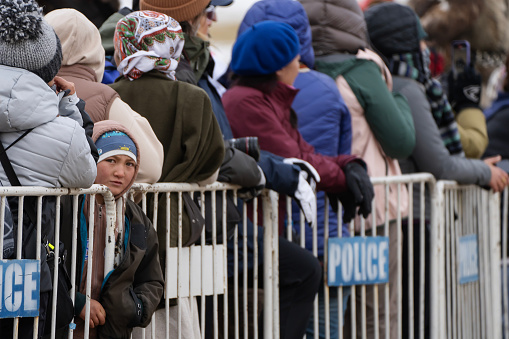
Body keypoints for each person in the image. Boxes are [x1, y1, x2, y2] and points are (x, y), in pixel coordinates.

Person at [364, 2, 509, 337]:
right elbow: (439, 163)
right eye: (419, 41)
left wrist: (472, 165)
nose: (425, 49)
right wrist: (484, 173)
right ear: (404, 44)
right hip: (416, 220)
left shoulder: (393, 82)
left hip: (408, 217)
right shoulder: (407, 87)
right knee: (423, 318)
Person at [223, 20, 375, 338]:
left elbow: (303, 151)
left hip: (262, 224)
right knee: (304, 272)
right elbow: (295, 159)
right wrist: (344, 175)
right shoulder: (247, 102)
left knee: (299, 276)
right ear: (277, 66)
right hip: (245, 224)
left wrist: (348, 165)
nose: (299, 63)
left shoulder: (266, 100)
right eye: (294, 57)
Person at [300, 0, 416, 337]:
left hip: (319, 215)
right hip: (372, 211)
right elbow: (401, 141)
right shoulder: (364, 70)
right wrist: (399, 97)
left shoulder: (296, 71)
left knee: (332, 319)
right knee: (377, 316)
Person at [110, 10, 225, 339]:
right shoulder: (193, 97)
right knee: (174, 317)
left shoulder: (111, 95)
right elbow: (210, 166)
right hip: (173, 226)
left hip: (116, 226)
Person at [0, 0, 97, 337]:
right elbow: (86, 173)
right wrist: (70, 108)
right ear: (48, 67)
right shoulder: (64, 133)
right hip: (23, 272)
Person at [60, 120, 164, 339]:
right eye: (111, 160)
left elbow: (151, 277)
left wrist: (134, 309)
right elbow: (44, 264)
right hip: (62, 326)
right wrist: (74, 301)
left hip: (111, 330)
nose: (121, 172)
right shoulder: (64, 205)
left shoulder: (136, 218)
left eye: (129, 164)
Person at [46, 8, 164, 184]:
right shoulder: (104, 97)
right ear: (96, 49)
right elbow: (150, 169)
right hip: (83, 211)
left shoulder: (24, 88)